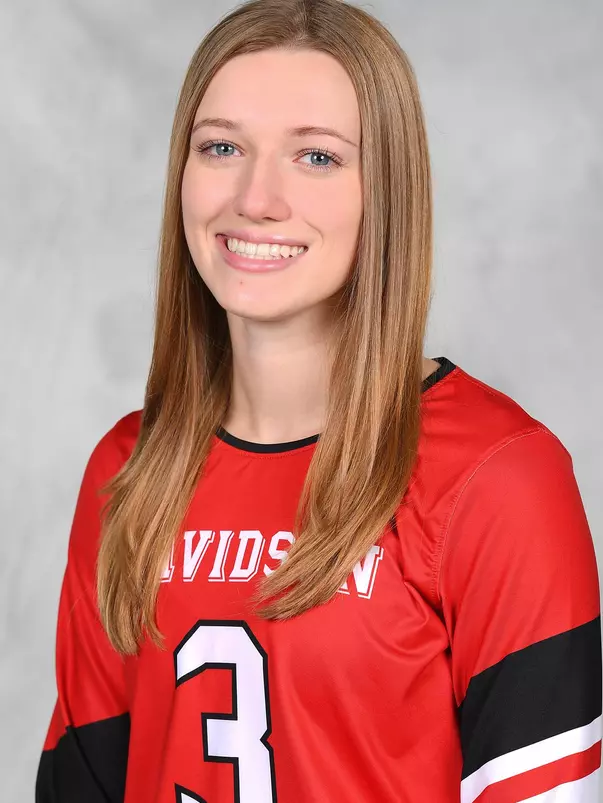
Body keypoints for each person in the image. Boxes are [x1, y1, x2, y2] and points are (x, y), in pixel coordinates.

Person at [35, 0, 602, 801]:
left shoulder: (500, 477)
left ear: (387, 191)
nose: (255, 198)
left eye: (317, 158)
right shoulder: (129, 472)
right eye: (221, 146)